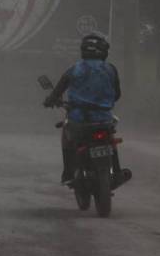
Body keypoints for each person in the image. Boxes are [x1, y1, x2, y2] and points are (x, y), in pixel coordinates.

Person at [43, 32, 121, 183]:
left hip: (79, 118)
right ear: (104, 50)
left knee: (66, 136)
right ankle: (117, 170)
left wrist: (50, 101)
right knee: (110, 137)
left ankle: (68, 172)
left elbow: (58, 90)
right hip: (104, 117)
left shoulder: (75, 69)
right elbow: (117, 94)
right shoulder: (111, 69)